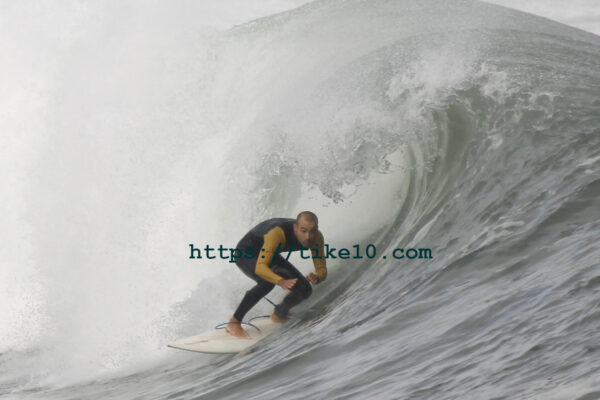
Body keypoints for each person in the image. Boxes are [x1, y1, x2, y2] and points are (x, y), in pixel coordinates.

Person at [225, 211, 327, 338]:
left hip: (269, 252)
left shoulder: (316, 238)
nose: (308, 236)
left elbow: (321, 268)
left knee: (305, 289)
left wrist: (318, 276)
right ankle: (234, 322)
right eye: (303, 231)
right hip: (246, 252)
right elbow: (260, 268)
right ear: (295, 228)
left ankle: (279, 314)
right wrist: (280, 281)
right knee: (267, 282)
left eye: (312, 231)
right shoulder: (277, 234)